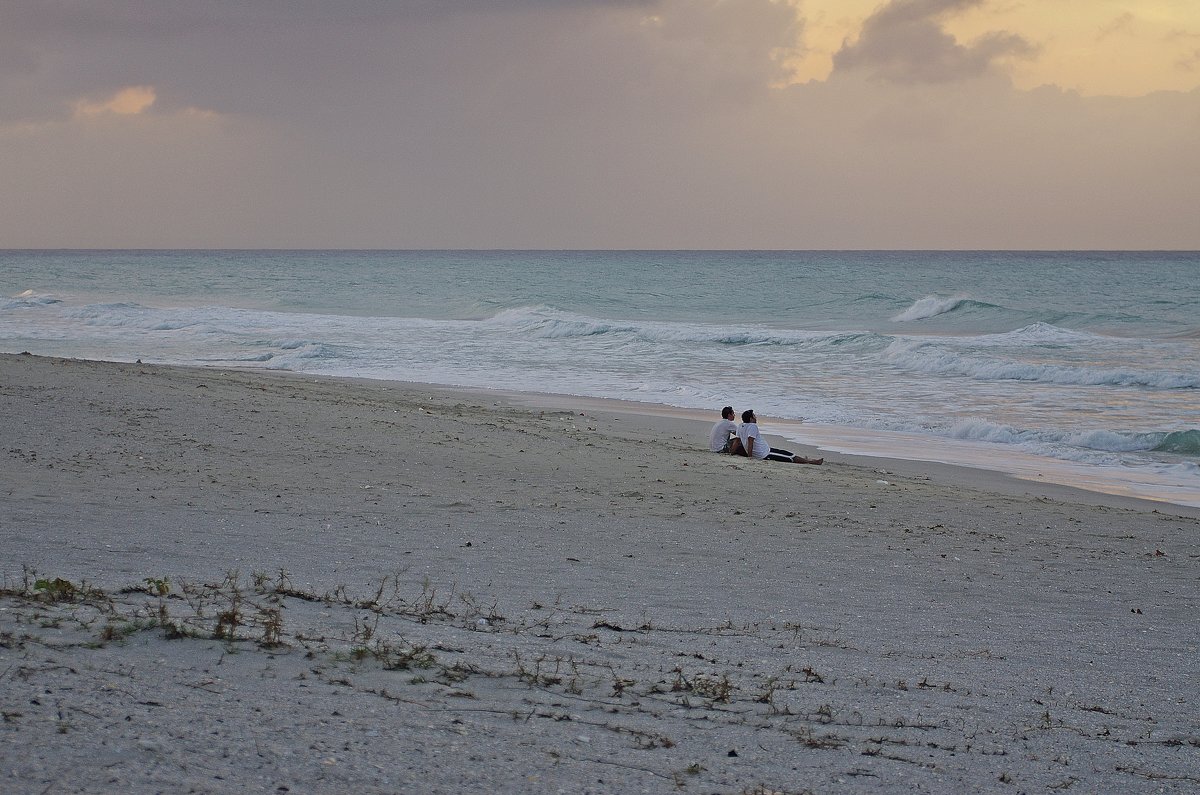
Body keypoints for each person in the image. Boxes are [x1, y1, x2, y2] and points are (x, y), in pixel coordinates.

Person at [736, 409, 822, 465]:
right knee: (790, 457)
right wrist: (750, 457)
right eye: (754, 416)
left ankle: (806, 460)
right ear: (751, 419)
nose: (756, 417)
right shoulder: (752, 426)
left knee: (786, 453)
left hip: (764, 450)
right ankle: (811, 462)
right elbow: (750, 442)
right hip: (764, 454)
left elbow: (738, 441)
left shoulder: (741, 426)